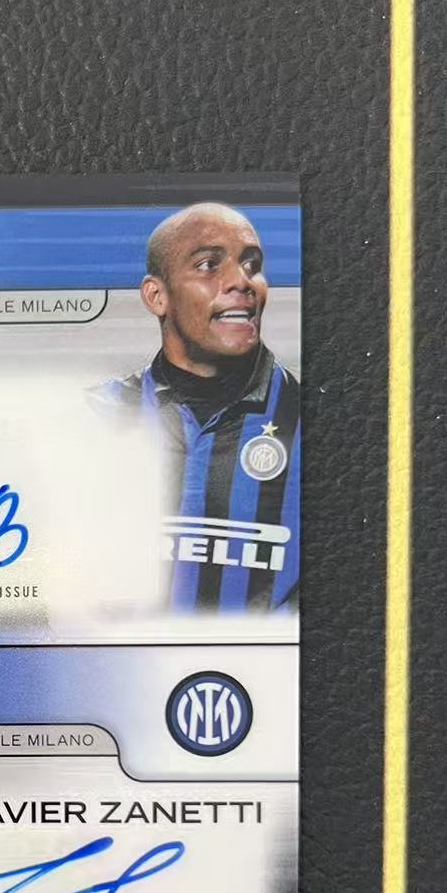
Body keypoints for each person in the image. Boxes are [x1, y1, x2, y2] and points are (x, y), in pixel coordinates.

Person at [94, 202, 300, 613]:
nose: (241, 281)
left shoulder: (305, 418)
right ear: (157, 296)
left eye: (252, 265)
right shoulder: (93, 417)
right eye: (209, 265)